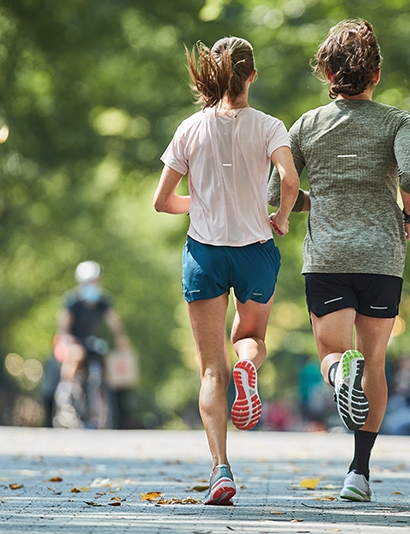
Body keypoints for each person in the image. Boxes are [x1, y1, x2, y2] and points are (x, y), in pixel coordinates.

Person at [268, 19, 410, 502]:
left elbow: (278, 192)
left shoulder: (306, 126)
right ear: (375, 74)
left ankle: (340, 375)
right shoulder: (398, 121)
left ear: (328, 73)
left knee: (333, 355)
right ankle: (359, 473)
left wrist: (317, 201)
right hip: (381, 255)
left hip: (329, 256)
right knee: (374, 362)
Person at [153, 36, 299, 506]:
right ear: (252, 75)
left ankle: (220, 470)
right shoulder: (270, 126)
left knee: (209, 369)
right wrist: (281, 217)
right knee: (250, 337)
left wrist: (202, 202)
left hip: (205, 254)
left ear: (213, 76)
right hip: (255, 249)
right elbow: (290, 182)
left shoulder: (189, 129)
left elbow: (161, 202)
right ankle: (248, 368)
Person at [53, 261, 132, 429]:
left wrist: (121, 337)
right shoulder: (73, 301)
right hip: (75, 342)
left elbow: (113, 321)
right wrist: (67, 338)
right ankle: (66, 395)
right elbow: (64, 325)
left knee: (105, 363)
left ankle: (103, 404)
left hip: (93, 342)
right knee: (76, 356)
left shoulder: (102, 302)